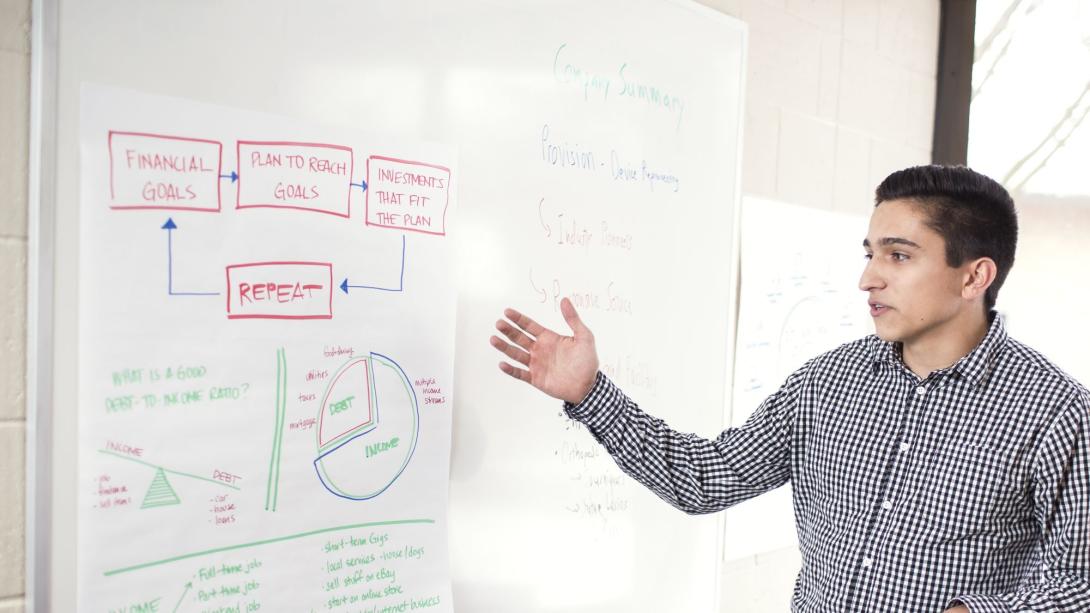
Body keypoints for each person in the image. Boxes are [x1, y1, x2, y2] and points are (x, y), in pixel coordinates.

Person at [490, 165, 1090, 612]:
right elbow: (705, 478)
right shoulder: (827, 383)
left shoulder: (1055, 412)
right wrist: (590, 393)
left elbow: (1077, 583)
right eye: (870, 252)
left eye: (899, 256)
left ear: (975, 275)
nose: (867, 277)